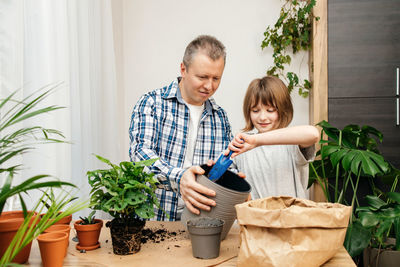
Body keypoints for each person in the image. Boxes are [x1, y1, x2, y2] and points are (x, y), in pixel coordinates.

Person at [129, 35, 234, 221]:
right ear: (183, 69)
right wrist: (180, 177)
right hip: (155, 220)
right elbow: (140, 154)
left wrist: (232, 179)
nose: (209, 86)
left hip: (201, 222)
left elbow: (226, 163)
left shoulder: (220, 116)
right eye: (202, 77)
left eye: (216, 78)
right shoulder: (152, 103)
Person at [227, 76, 320, 200]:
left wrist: (257, 141)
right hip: (255, 218)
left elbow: (313, 134)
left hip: (291, 218)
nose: (262, 117)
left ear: (283, 110)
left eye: (270, 110)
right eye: (255, 110)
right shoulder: (242, 147)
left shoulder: (292, 144)